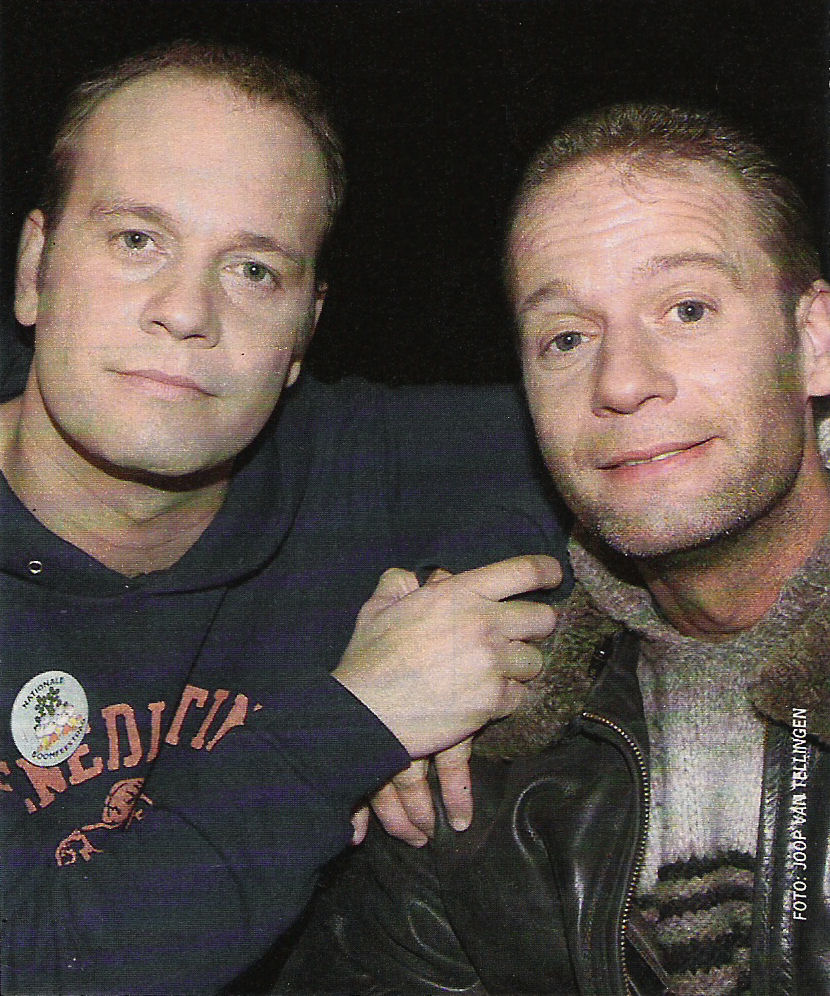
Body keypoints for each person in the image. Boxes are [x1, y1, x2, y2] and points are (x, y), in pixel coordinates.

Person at [0, 41, 570, 995]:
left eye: (254, 270)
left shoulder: (342, 462)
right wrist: (363, 719)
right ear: (34, 267)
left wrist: (446, 600)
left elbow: (611, 445)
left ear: (304, 329)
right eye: (137, 240)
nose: (187, 311)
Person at [276, 103, 830, 995]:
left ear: (813, 340)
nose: (622, 382)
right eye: (567, 338)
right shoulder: (483, 749)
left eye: (687, 309)